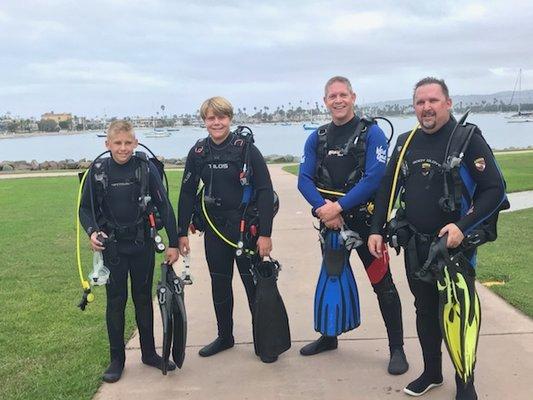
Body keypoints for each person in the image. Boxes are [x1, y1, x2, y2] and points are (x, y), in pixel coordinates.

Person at [368, 77, 506, 399]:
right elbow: (386, 189)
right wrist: (376, 228)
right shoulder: (405, 142)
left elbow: (494, 189)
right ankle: (431, 372)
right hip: (416, 243)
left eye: (433, 100)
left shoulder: (468, 140)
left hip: (453, 248)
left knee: (457, 313)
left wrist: (462, 226)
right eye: (420, 102)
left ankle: (465, 383)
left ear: (448, 103)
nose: (426, 107)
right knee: (424, 310)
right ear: (414, 106)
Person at [297, 76, 408, 375]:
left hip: (366, 223)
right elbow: (304, 179)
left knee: (382, 284)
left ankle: (396, 348)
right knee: (332, 278)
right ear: (325, 101)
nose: (338, 100)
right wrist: (324, 210)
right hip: (331, 225)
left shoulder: (371, 134)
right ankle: (329, 336)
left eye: (343, 94)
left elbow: (375, 177)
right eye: (332, 96)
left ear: (353, 97)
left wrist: (338, 207)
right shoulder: (317, 137)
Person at [176, 96, 276, 362]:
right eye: (211, 118)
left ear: (229, 119)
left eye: (221, 117)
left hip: (245, 230)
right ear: (205, 121)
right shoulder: (198, 153)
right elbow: (187, 193)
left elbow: (266, 191)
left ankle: (264, 340)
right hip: (215, 230)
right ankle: (225, 336)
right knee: (220, 285)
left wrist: (265, 233)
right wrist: (181, 232)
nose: (216, 122)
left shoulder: (246, 150)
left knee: (253, 287)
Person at [79, 120, 179, 383]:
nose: (123, 148)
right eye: (117, 143)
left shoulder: (145, 168)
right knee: (116, 302)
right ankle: (117, 359)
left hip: (141, 244)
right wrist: (92, 232)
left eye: (127, 143)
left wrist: (173, 242)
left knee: (143, 298)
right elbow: (85, 208)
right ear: (108, 144)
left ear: (135, 143)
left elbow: (164, 205)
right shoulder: (98, 169)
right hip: (113, 247)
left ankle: (148, 353)